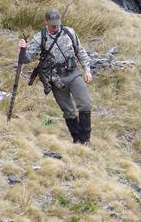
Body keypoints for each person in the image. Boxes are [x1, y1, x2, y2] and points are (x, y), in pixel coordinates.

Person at [19, 9, 93, 143]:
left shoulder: (70, 32)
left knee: (85, 104)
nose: (55, 27)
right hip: (55, 78)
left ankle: (85, 139)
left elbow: (80, 52)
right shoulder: (39, 37)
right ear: (46, 22)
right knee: (68, 111)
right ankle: (78, 140)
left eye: (57, 24)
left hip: (74, 74)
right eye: (52, 24)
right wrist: (23, 48)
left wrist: (87, 70)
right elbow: (26, 59)